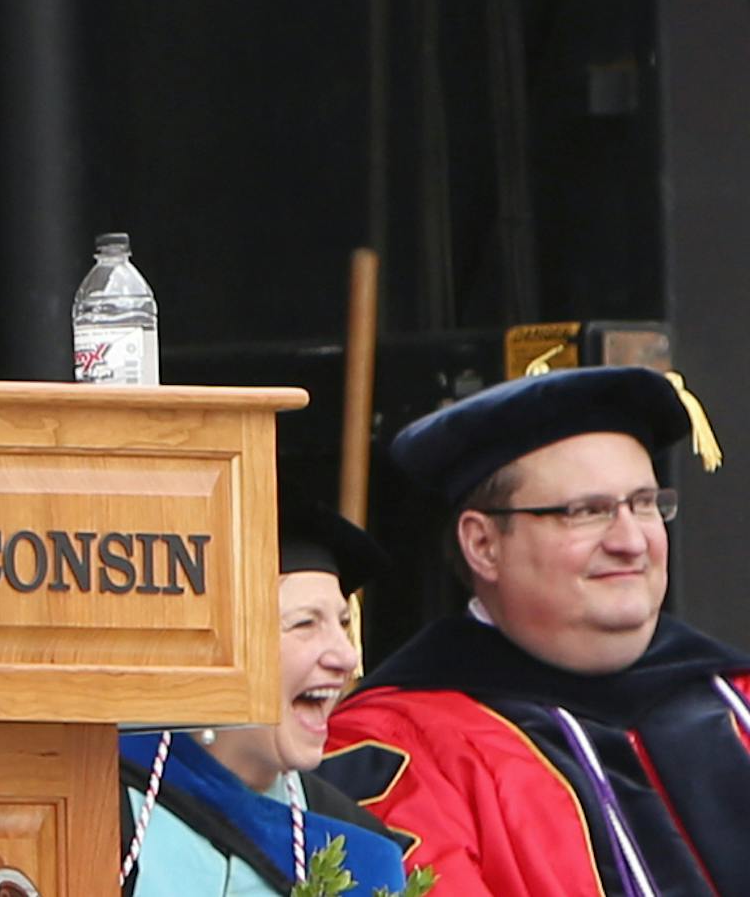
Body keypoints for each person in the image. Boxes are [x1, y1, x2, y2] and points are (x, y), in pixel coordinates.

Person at [318, 366, 750, 896]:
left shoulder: (736, 700)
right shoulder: (394, 749)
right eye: (587, 512)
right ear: (483, 545)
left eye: (644, 504)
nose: (632, 541)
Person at [119, 498, 407, 895]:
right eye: (306, 623)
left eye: (343, 624)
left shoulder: (354, 843)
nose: (347, 656)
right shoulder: (109, 806)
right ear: (219, 648)